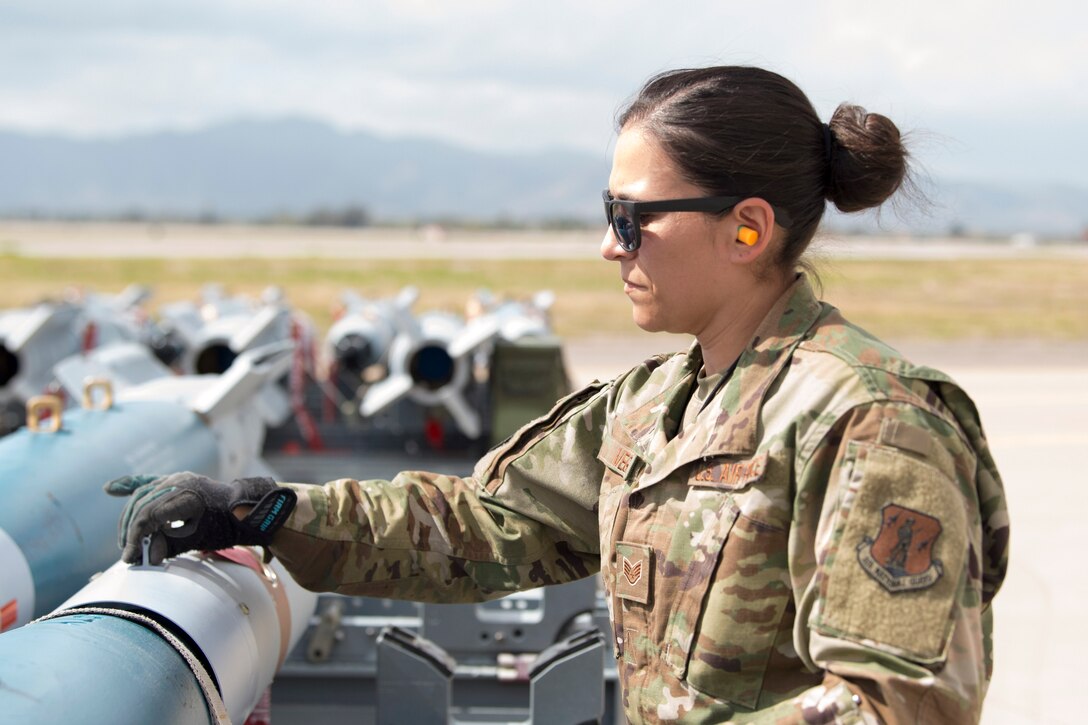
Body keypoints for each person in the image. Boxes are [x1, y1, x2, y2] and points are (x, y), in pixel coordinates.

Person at [107, 66, 1009, 724]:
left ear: (747, 227)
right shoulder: (655, 407)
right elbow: (485, 525)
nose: (610, 247)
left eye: (632, 218)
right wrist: (271, 513)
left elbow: (895, 708)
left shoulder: (872, 421)